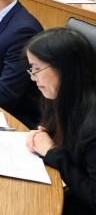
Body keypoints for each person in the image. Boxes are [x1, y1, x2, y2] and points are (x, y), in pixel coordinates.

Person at [25, 28, 96, 214]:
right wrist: (45, 138)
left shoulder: (92, 124)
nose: (33, 77)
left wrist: (51, 152)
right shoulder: (60, 97)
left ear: (65, 68)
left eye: (37, 69)